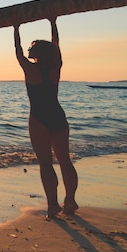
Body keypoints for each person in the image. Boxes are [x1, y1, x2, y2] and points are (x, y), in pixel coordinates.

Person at [14, 17, 78, 218]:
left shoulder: (30, 69)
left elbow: (17, 51)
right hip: (58, 115)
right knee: (65, 161)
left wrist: (16, 28)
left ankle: (53, 205)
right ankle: (70, 200)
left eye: (32, 48)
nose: (28, 50)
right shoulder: (55, 68)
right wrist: (53, 23)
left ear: (38, 53)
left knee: (45, 163)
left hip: (39, 118)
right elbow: (56, 47)